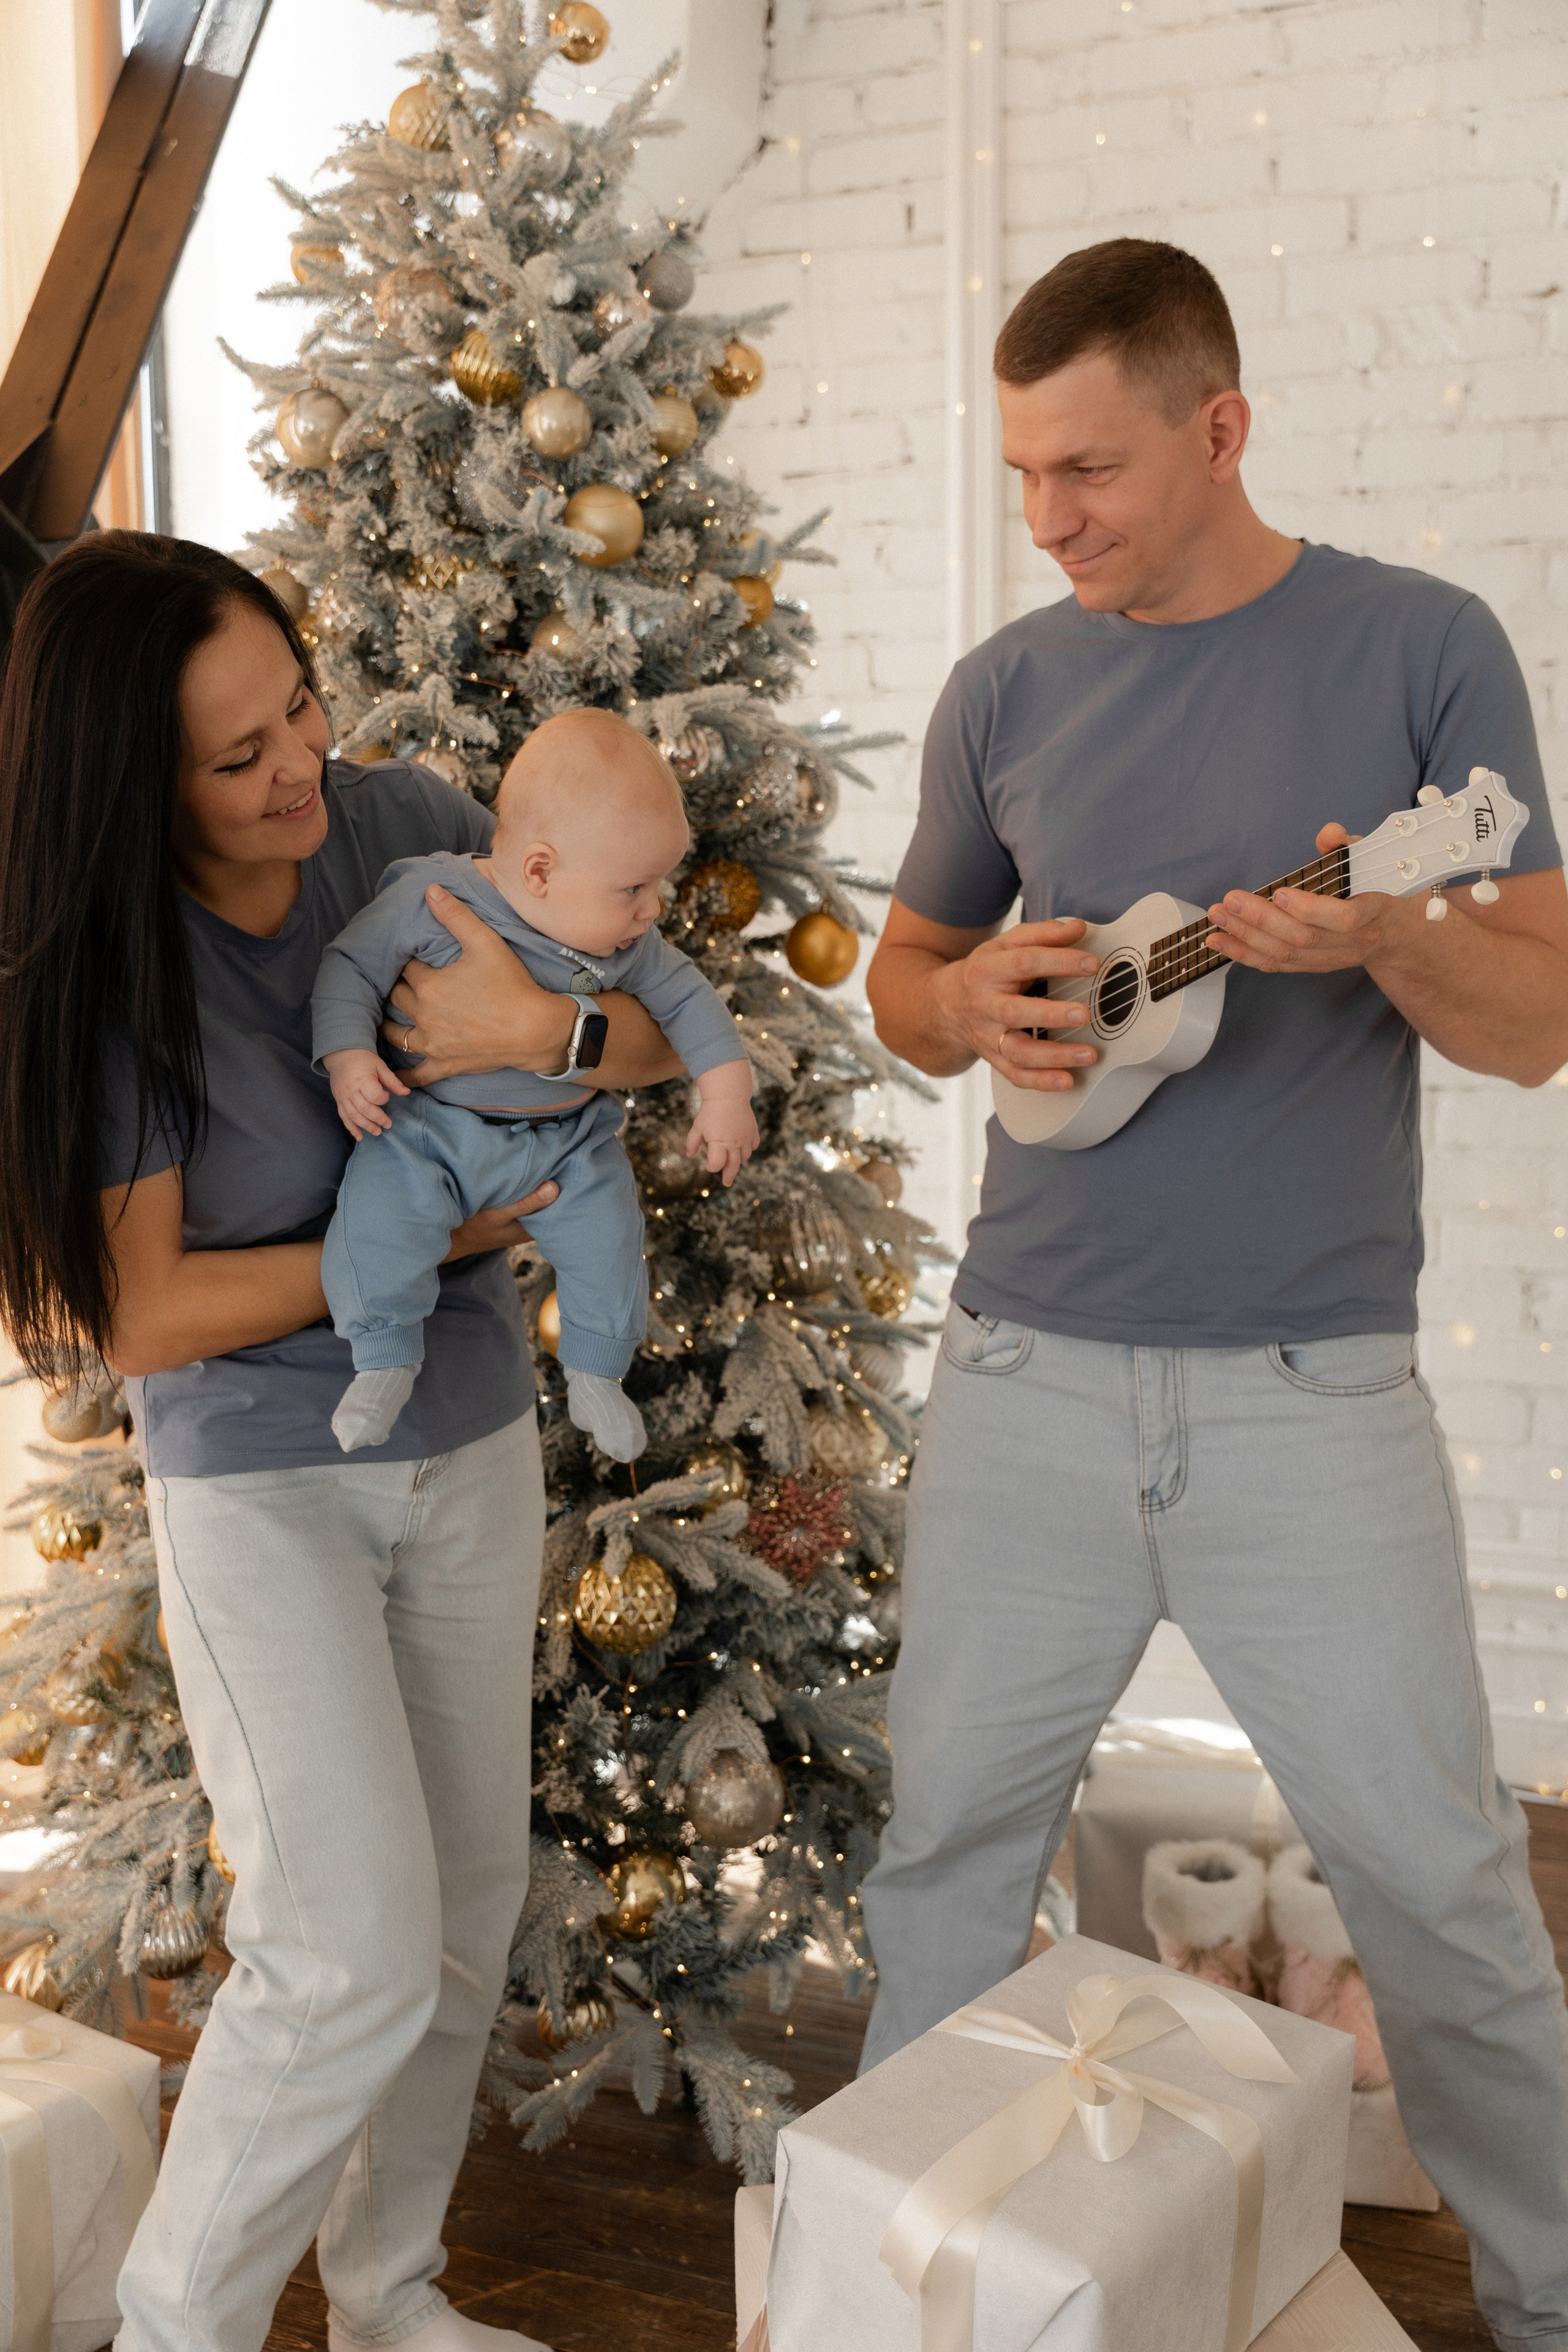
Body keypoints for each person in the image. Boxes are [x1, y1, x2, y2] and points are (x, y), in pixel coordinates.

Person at [862, 240, 1568, 2351]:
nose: (1050, 517)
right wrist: (966, 999)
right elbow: (904, 982)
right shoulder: (1003, 687)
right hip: (1023, 1374)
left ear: (1221, 429)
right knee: (944, 1873)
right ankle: (922, 2287)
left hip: (1304, 1393)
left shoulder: (1429, 649)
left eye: (1087, 468)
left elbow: (1536, 1018)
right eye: (1022, 475)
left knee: (1442, 1895)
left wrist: (1384, 944)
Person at [0, 533, 682, 2352]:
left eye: (296, 702)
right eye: (239, 755)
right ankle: (175, 2326)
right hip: (261, 1477)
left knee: (459, 1914)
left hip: (462, 1441)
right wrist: (422, 1241)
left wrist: (564, 1026)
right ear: (135, 783)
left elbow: (639, 1024)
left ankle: (391, 2293)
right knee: (343, 1940)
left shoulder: (402, 826)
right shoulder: (110, 968)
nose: (301, 762)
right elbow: (129, 1313)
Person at [315, 707, 757, 1457]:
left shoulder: (625, 940)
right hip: (433, 1130)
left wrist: (725, 1094)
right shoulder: (432, 900)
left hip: (568, 1141)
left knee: (611, 1237)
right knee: (378, 1215)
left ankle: (595, 1375)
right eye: (634, 889)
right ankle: (381, 1359)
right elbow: (349, 967)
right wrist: (349, 1058)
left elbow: (689, 1002)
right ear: (541, 871)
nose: (654, 910)